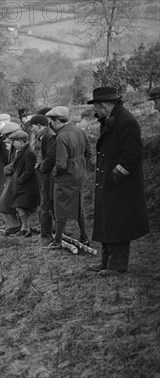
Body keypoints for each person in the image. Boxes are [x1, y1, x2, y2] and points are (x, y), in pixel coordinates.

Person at [87, 87, 149, 276]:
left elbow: (134, 154)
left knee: (118, 223)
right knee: (108, 221)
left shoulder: (126, 121)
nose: (95, 112)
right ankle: (107, 261)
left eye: (96, 108)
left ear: (104, 106)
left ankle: (117, 265)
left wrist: (116, 174)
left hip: (121, 185)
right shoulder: (112, 120)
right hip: (109, 182)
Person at [45, 106, 92, 249]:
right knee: (79, 206)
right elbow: (89, 154)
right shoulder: (80, 131)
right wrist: (80, 165)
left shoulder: (61, 136)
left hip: (65, 176)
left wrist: (54, 172)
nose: (50, 126)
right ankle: (84, 237)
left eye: (51, 123)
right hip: (80, 174)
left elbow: (61, 164)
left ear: (57, 121)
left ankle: (57, 241)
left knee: (60, 208)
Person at [29, 114, 57, 246]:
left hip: (47, 174)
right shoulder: (42, 136)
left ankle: (46, 236)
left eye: (33, 127)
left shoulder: (49, 137)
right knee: (44, 201)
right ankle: (46, 233)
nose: (31, 130)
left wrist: (41, 167)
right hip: (43, 172)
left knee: (46, 202)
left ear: (40, 126)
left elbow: (51, 158)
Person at [7, 130, 39, 237]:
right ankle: (25, 228)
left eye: (15, 141)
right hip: (22, 184)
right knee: (21, 206)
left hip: (26, 185)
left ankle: (25, 228)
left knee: (20, 206)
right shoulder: (21, 151)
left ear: (21, 141)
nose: (13, 144)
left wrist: (20, 180)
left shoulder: (28, 153)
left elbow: (29, 171)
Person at [0, 122, 22, 235]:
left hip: (17, 177)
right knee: (5, 202)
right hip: (12, 177)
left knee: (7, 202)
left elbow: (15, 163)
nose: (7, 138)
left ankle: (15, 225)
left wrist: (8, 169)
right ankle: (12, 225)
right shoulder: (12, 145)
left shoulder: (19, 146)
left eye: (8, 135)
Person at [0, 114, 12, 221]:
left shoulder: (5, 137)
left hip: (2, 169)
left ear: (7, 123)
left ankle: (1, 218)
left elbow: (6, 157)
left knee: (0, 193)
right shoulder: (2, 136)